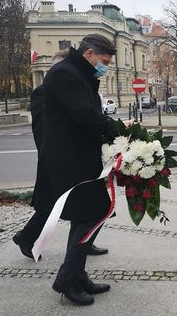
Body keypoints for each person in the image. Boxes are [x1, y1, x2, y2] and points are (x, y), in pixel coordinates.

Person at [34, 34, 120, 306]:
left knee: (90, 214)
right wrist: (118, 130)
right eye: (104, 61)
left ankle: (77, 275)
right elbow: (84, 115)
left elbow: (90, 113)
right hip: (68, 161)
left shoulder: (80, 74)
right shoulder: (64, 74)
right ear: (90, 53)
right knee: (90, 215)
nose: (104, 67)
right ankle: (67, 279)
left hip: (81, 158)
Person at [13, 49, 109, 259]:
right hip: (59, 158)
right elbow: (42, 127)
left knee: (83, 206)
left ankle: (84, 243)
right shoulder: (44, 91)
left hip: (78, 156)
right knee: (53, 206)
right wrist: (51, 155)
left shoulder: (80, 86)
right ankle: (26, 237)